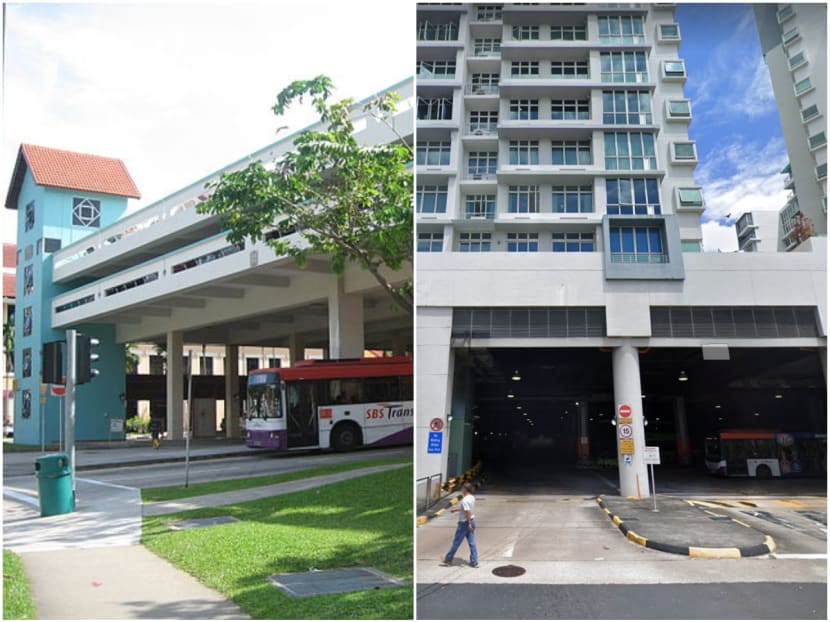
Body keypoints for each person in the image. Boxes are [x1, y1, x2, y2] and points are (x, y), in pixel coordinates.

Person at [442, 482, 478, 568]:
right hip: (472, 521)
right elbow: (467, 510)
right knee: (472, 543)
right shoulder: (472, 497)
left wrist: (468, 524)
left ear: (465, 489)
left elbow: (468, 512)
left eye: (462, 488)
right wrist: (456, 510)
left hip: (465, 523)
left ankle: (448, 559)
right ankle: (474, 561)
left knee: (456, 542)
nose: (461, 490)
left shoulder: (465, 500)